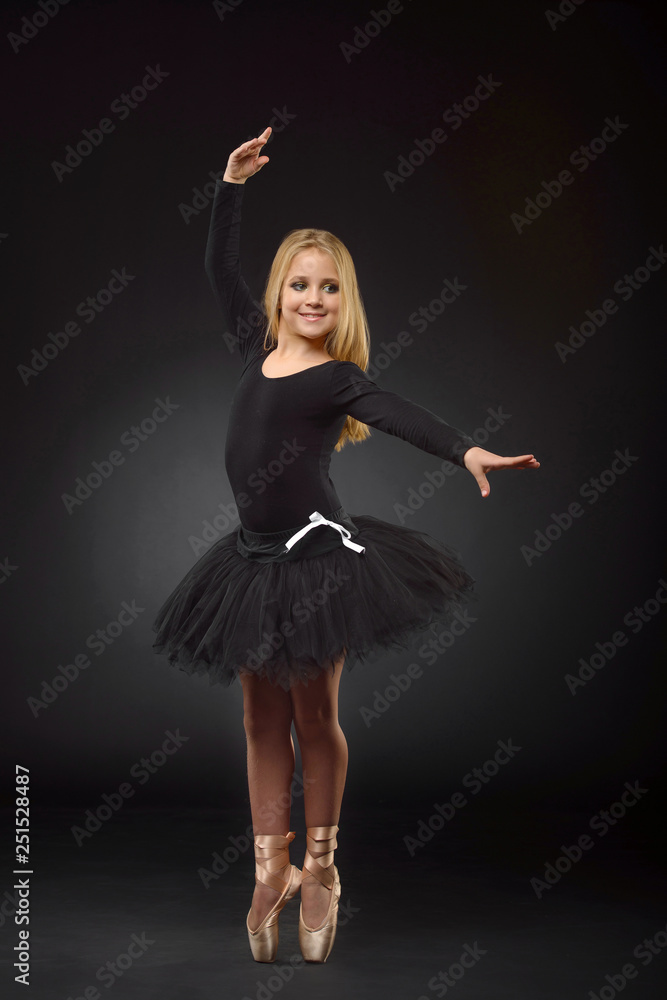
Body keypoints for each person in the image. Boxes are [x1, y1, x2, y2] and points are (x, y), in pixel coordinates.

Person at [152, 125, 540, 964]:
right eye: (299, 284)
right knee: (258, 718)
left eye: (328, 288)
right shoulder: (255, 347)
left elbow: (399, 412)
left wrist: (466, 450)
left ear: (344, 301)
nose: (313, 298)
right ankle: (272, 869)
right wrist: (230, 186)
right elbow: (219, 267)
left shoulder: (336, 378)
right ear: (277, 294)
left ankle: (323, 868)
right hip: (249, 564)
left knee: (312, 714)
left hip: (317, 564)